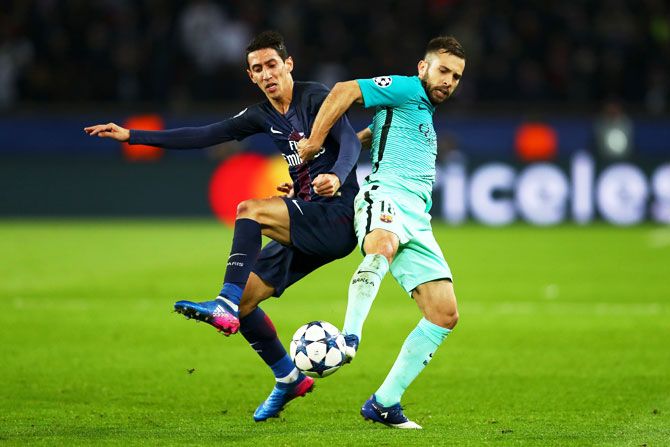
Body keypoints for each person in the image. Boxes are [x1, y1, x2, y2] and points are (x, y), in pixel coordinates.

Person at [84, 31, 361, 422]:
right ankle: (288, 377)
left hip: (337, 216)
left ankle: (223, 301)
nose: (266, 74)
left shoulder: (315, 96)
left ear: (289, 65)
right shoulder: (262, 115)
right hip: (307, 217)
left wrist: (336, 174)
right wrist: (132, 135)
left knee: (250, 208)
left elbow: (349, 141)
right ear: (250, 76)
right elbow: (204, 135)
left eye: (272, 65)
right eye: (257, 69)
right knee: (248, 304)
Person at [297, 36, 466, 429]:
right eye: (443, 71)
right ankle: (348, 339)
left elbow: (369, 136)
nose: (449, 81)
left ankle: (385, 403)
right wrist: (314, 144)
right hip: (385, 194)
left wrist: (329, 171)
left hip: (418, 219)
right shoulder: (406, 87)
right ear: (423, 68)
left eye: (456, 76)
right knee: (382, 246)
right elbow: (344, 91)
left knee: (444, 314)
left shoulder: (416, 110)